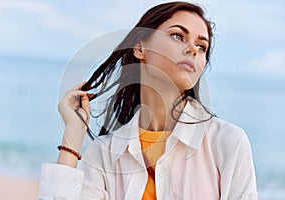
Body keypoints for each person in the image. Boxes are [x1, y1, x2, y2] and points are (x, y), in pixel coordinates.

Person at [39, 1, 257, 199]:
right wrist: (71, 138)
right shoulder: (104, 153)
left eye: (202, 47)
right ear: (141, 48)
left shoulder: (227, 141)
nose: (192, 49)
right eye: (178, 36)